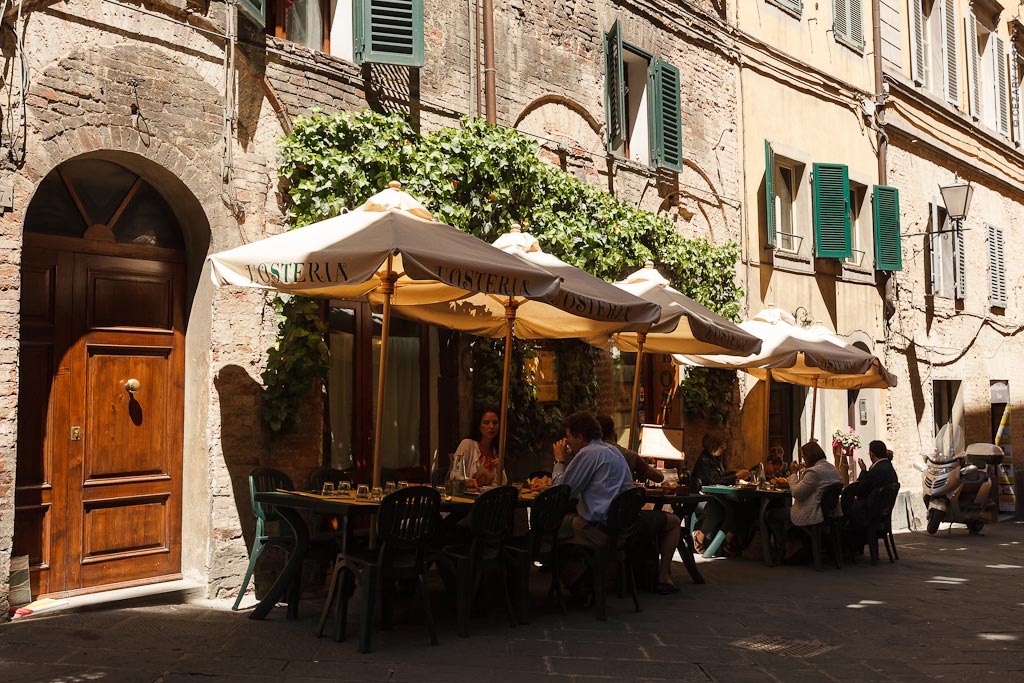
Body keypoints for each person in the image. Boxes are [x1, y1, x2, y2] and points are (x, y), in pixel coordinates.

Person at [551, 411, 634, 596]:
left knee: (548, 531)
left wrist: (559, 460)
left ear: (580, 437)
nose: (568, 442)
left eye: (569, 437)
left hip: (597, 530)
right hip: (619, 528)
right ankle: (582, 580)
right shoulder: (613, 452)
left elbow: (562, 491)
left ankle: (578, 583)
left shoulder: (589, 454)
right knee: (566, 523)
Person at [596, 415, 680, 593]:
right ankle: (663, 577)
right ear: (614, 432)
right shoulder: (626, 455)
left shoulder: (588, 454)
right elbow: (658, 477)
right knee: (674, 522)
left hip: (598, 517)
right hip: (625, 522)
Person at [768, 440, 842, 562]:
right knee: (784, 514)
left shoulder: (814, 472)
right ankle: (794, 542)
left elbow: (797, 493)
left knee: (771, 514)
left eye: (804, 456)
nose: (803, 459)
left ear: (809, 456)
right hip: (828, 512)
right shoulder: (832, 468)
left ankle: (784, 547)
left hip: (812, 512)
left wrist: (793, 474)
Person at [691, 431, 752, 555]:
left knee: (741, 505)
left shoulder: (715, 459)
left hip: (714, 496)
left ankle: (728, 539)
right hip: (702, 498)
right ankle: (699, 536)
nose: (724, 447)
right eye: (722, 445)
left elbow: (721, 475)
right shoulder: (705, 460)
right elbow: (715, 480)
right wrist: (736, 475)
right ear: (714, 445)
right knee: (719, 509)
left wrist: (738, 473)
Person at [845, 440, 899, 552]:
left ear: (871, 454)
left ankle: (851, 550)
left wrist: (863, 472)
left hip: (871, 512)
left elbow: (860, 489)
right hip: (881, 512)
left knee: (845, 516)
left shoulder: (877, 470)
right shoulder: (888, 467)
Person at [452, 405, 505, 487]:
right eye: (486, 423)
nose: (491, 427)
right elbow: (454, 475)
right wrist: (466, 481)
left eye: (495, 423)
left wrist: (499, 469)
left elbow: (503, 484)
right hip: (466, 497)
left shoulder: (495, 450)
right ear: (479, 425)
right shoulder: (467, 444)